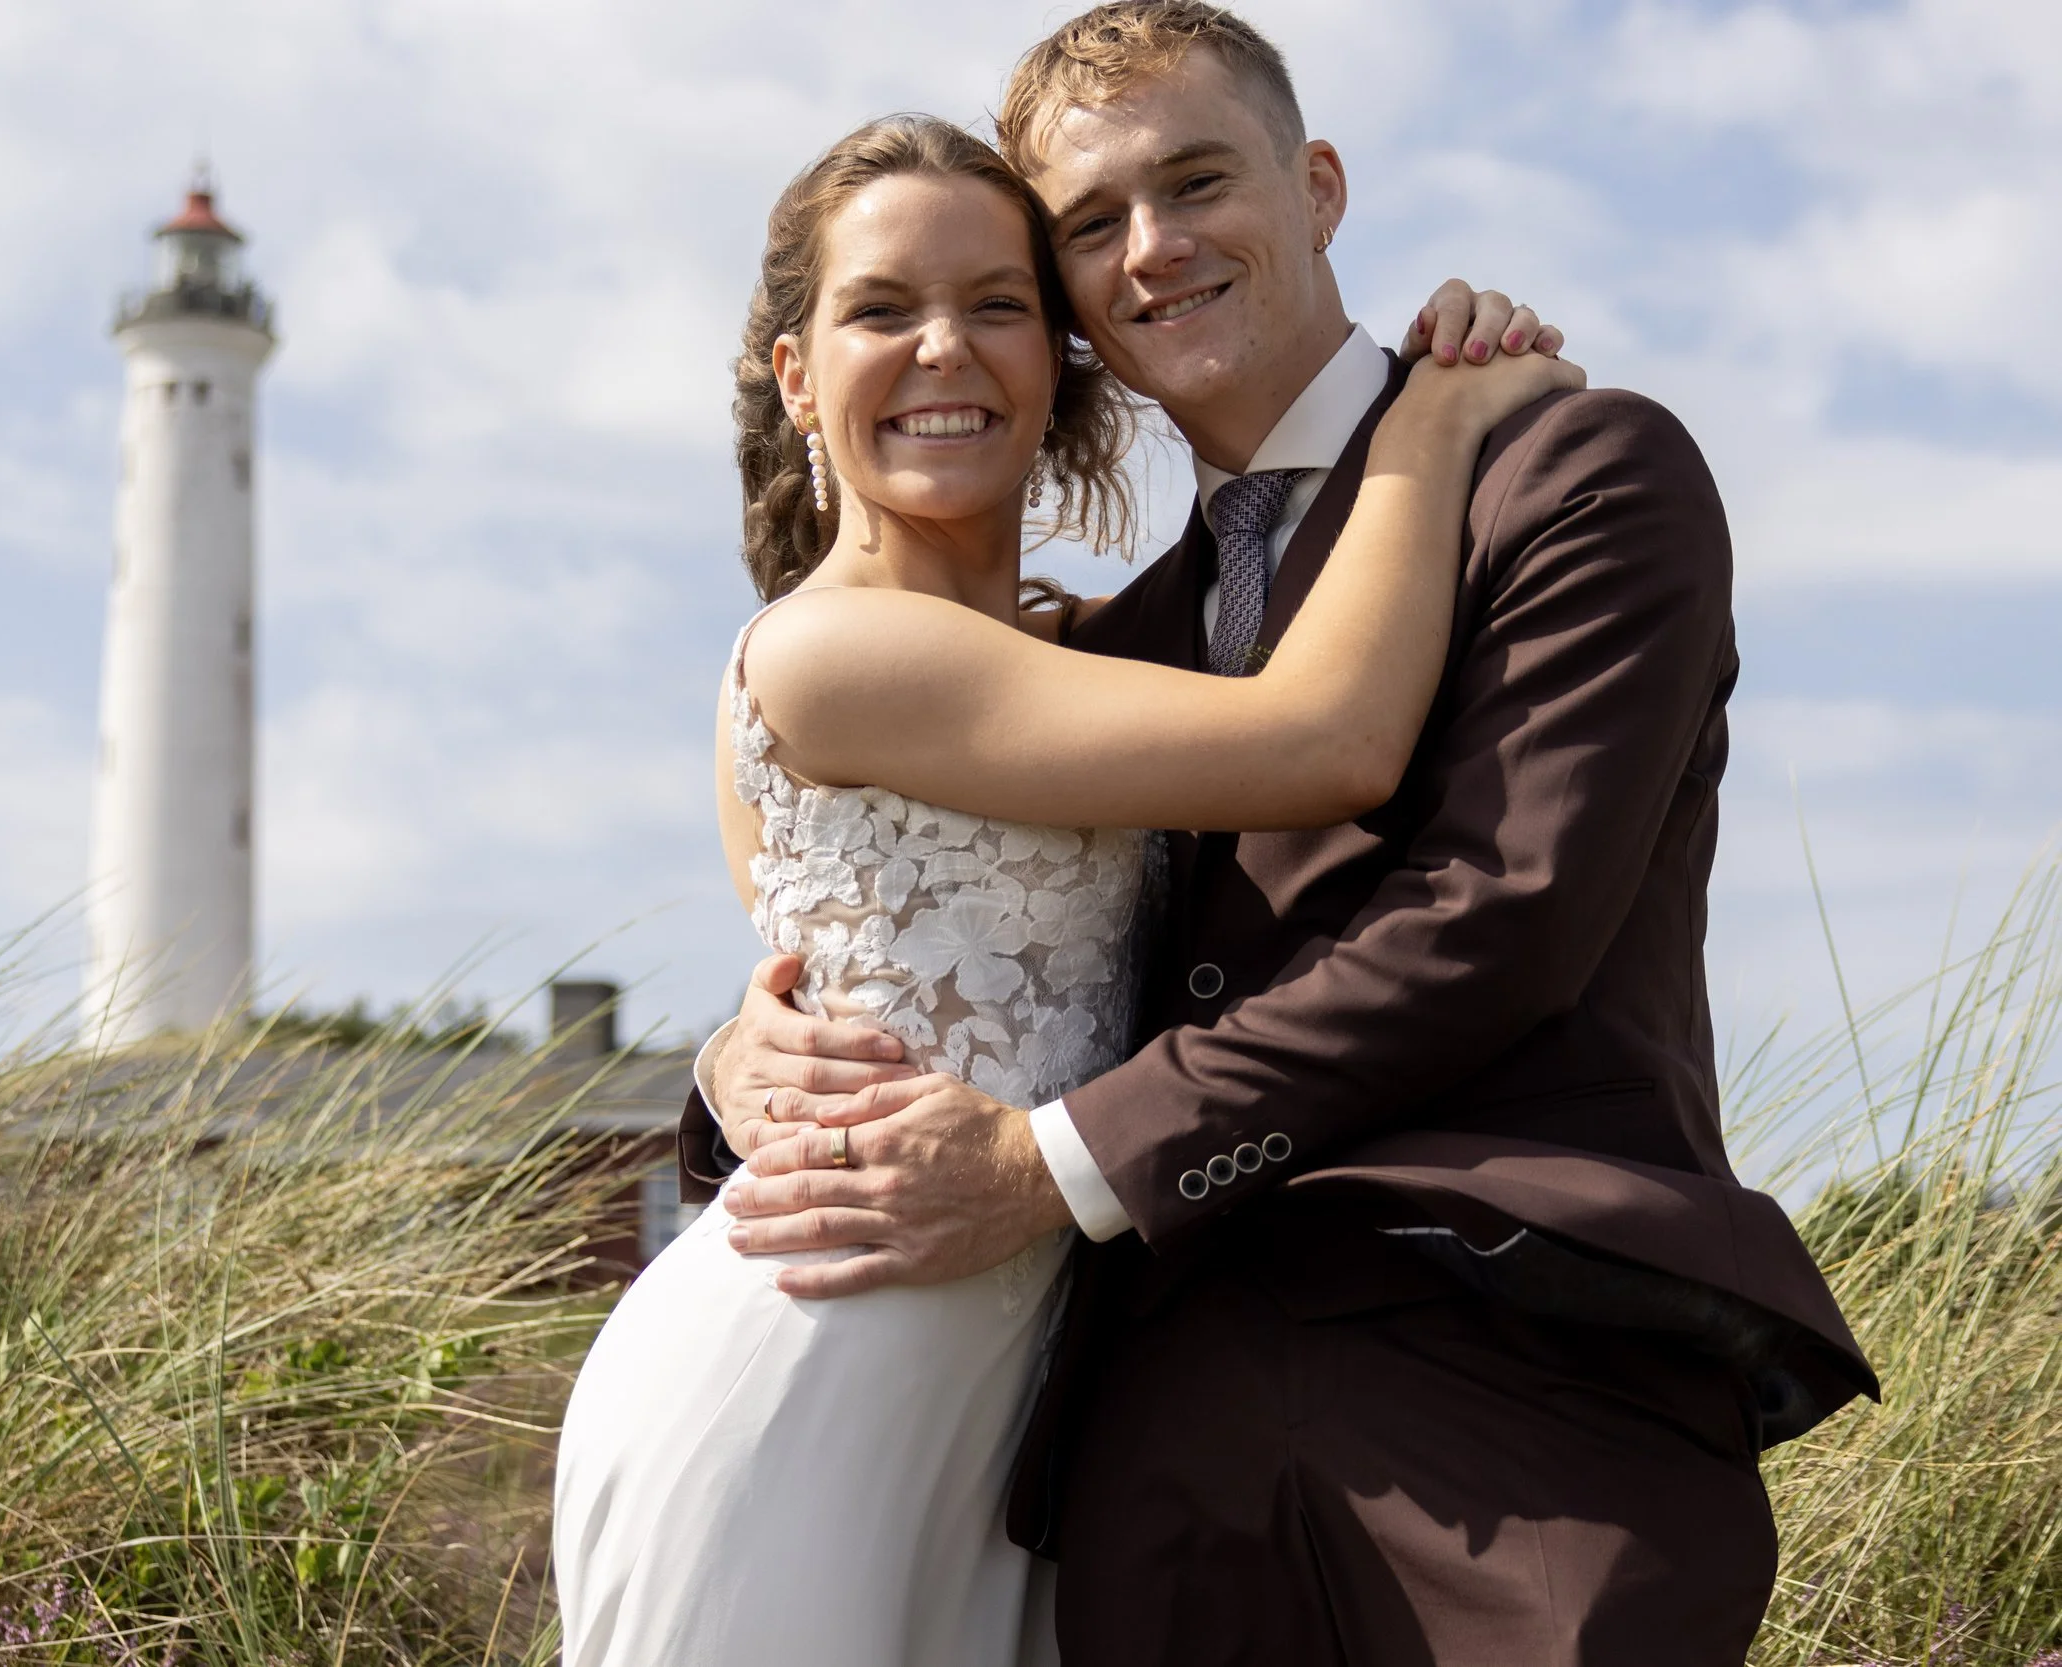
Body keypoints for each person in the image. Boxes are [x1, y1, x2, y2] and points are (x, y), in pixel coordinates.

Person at [693, 7, 1879, 1665]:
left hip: (1516, 1389)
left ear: (1318, 185)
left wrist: (1055, 1166)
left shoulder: (1576, 474)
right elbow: (949, 929)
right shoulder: (1096, 658)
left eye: (1197, 180)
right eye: (1093, 227)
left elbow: (1504, 914)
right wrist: (738, 1061)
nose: (1153, 248)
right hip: (1148, 1464)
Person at [552, 103, 1577, 1666]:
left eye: (998, 304)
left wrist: (730, 1045)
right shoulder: (831, 650)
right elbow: (1329, 736)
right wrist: (1431, 425)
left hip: (1011, 1421)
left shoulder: (1084, 653)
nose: (944, 348)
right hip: (810, 1372)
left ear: (1061, 357)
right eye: (882, 309)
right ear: (796, 376)